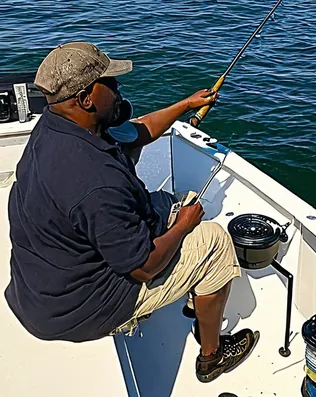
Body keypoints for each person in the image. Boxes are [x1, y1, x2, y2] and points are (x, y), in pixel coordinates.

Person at [5, 41, 259, 383]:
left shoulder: (59, 125)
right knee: (212, 241)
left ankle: (195, 295)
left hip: (43, 285)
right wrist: (183, 226)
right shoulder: (95, 183)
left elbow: (139, 131)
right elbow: (143, 267)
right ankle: (211, 356)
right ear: (85, 99)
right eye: (109, 84)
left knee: (175, 202)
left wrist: (187, 104)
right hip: (77, 309)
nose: (118, 88)